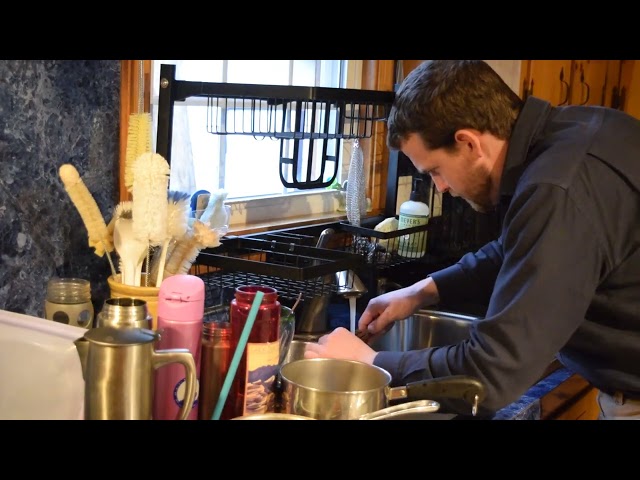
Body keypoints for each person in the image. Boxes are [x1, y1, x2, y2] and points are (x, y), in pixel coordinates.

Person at [304, 60, 640, 419]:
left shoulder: (559, 187)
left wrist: (370, 363)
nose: (442, 188)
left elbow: (493, 375)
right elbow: (520, 249)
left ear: (468, 143)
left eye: (435, 170)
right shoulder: (580, 131)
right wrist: (424, 290)